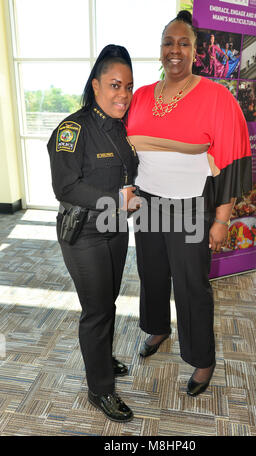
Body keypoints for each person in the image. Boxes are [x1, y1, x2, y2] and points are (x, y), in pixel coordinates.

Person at [126, 11, 252, 397]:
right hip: (147, 202)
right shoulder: (144, 95)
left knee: (192, 285)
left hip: (190, 207)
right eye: (168, 43)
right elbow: (126, 149)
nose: (175, 50)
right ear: (160, 50)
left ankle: (202, 358)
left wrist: (221, 220)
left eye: (183, 43)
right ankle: (158, 327)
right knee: (151, 271)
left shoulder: (217, 97)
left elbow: (231, 159)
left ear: (196, 51)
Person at [47, 44, 139, 422]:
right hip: (83, 234)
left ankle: (100, 358)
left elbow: (130, 172)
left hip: (115, 230)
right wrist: (116, 199)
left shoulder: (120, 127)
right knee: (97, 310)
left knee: (108, 302)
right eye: (115, 85)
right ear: (96, 84)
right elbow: (66, 187)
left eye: (129, 86)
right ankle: (100, 389)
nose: (123, 94)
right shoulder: (73, 128)